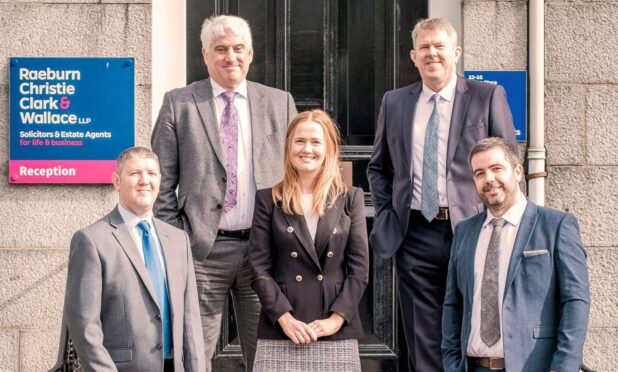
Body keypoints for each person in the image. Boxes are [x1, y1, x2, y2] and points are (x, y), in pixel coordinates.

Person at [366, 17, 517, 371]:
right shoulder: (395, 102)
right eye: (424, 47)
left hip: (473, 231)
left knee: (475, 327)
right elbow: (378, 167)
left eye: (439, 46)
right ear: (413, 56)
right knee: (423, 337)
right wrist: (390, 212)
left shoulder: (487, 96)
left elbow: (507, 161)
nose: (431, 53)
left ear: (456, 53)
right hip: (414, 233)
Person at [151, 15, 297, 371]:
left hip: (264, 251)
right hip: (202, 252)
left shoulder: (279, 103)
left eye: (237, 48)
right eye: (220, 49)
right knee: (194, 356)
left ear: (250, 53)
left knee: (266, 357)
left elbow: (298, 176)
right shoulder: (179, 103)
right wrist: (180, 240)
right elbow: (161, 183)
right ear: (204, 54)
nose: (230, 57)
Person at [442, 137, 590, 372]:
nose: (488, 179)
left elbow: (575, 302)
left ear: (518, 171)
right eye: (479, 173)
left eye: (496, 168)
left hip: (533, 366)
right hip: (472, 366)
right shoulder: (464, 232)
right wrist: (451, 363)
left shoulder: (556, 226)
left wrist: (564, 367)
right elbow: (453, 304)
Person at [51, 147, 205, 372]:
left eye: (152, 174)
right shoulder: (92, 240)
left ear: (160, 181)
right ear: (116, 181)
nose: (144, 180)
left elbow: (190, 321)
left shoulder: (178, 240)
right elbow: (84, 327)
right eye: (135, 174)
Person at [248, 109, 369, 371]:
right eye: (300, 141)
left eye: (316, 142)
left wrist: (336, 320)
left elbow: (359, 270)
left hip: (334, 330)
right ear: (289, 146)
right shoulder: (268, 199)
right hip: (281, 330)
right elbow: (258, 269)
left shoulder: (350, 198)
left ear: (329, 148)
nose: (307, 149)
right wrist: (284, 318)